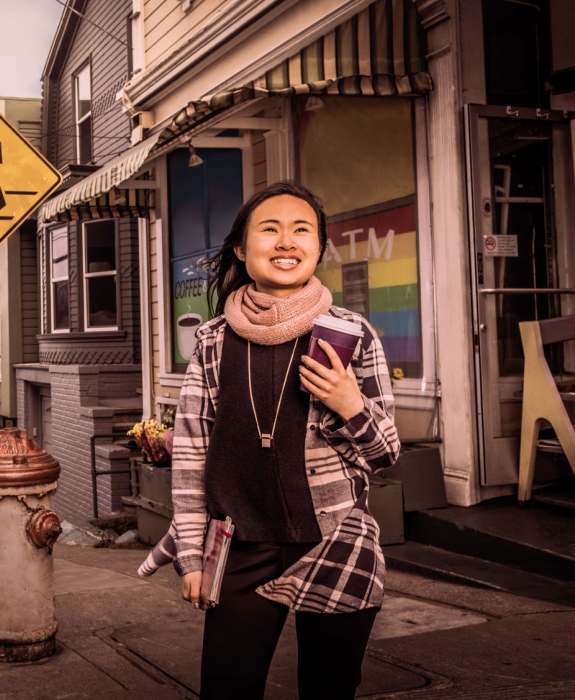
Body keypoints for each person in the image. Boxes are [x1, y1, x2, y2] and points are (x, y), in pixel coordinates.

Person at [138, 180, 400, 699]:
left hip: (336, 540)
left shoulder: (351, 334)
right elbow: (191, 453)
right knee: (227, 687)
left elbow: (385, 453)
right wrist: (192, 555)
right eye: (271, 229)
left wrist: (351, 406)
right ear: (241, 246)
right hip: (240, 545)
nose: (287, 242)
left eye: (302, 230)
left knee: (330, 689)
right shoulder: (213, 341)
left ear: (319, 247)